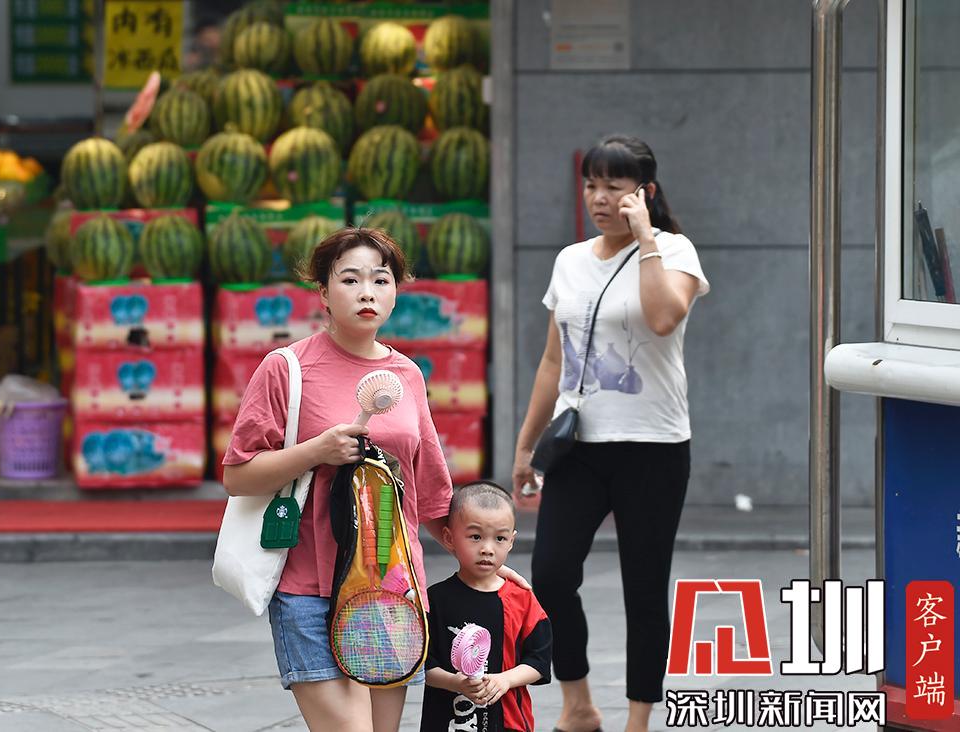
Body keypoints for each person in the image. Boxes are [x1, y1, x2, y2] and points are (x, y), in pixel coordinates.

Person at [222, 228, 525, 732]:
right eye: (350, 279)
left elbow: (432, 494)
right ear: (323, 292)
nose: (367, 292)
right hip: (309, 591)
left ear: (395, 293)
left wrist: (483, 557)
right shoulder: (287, 369)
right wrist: (317, 451)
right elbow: (237, 475)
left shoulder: (407, 376)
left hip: (392, 590)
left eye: (381, 280)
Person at [511, 134, 710, 732]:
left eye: (613, 187)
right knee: (550, 576)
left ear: (642, 193)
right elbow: (554, 360)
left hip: (654, 448)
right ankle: (578, 704)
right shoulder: (570, 260)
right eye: (591, 185)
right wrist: (526, 445)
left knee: (644, 588)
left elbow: (663, 317)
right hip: (578, 447)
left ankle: (638, 719)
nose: (599, 198)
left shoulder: (673, 251)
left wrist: (645, 238)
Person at [421, 481, 552, 732]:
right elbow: (422, 665)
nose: (487, 549)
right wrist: (455, 683)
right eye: (475, 537)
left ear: (511, 541)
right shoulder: (435, 600)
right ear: (448, 537)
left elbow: (539, 660)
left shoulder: (522, 599)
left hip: (509, 722)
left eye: (500, 538)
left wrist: (505, 680)